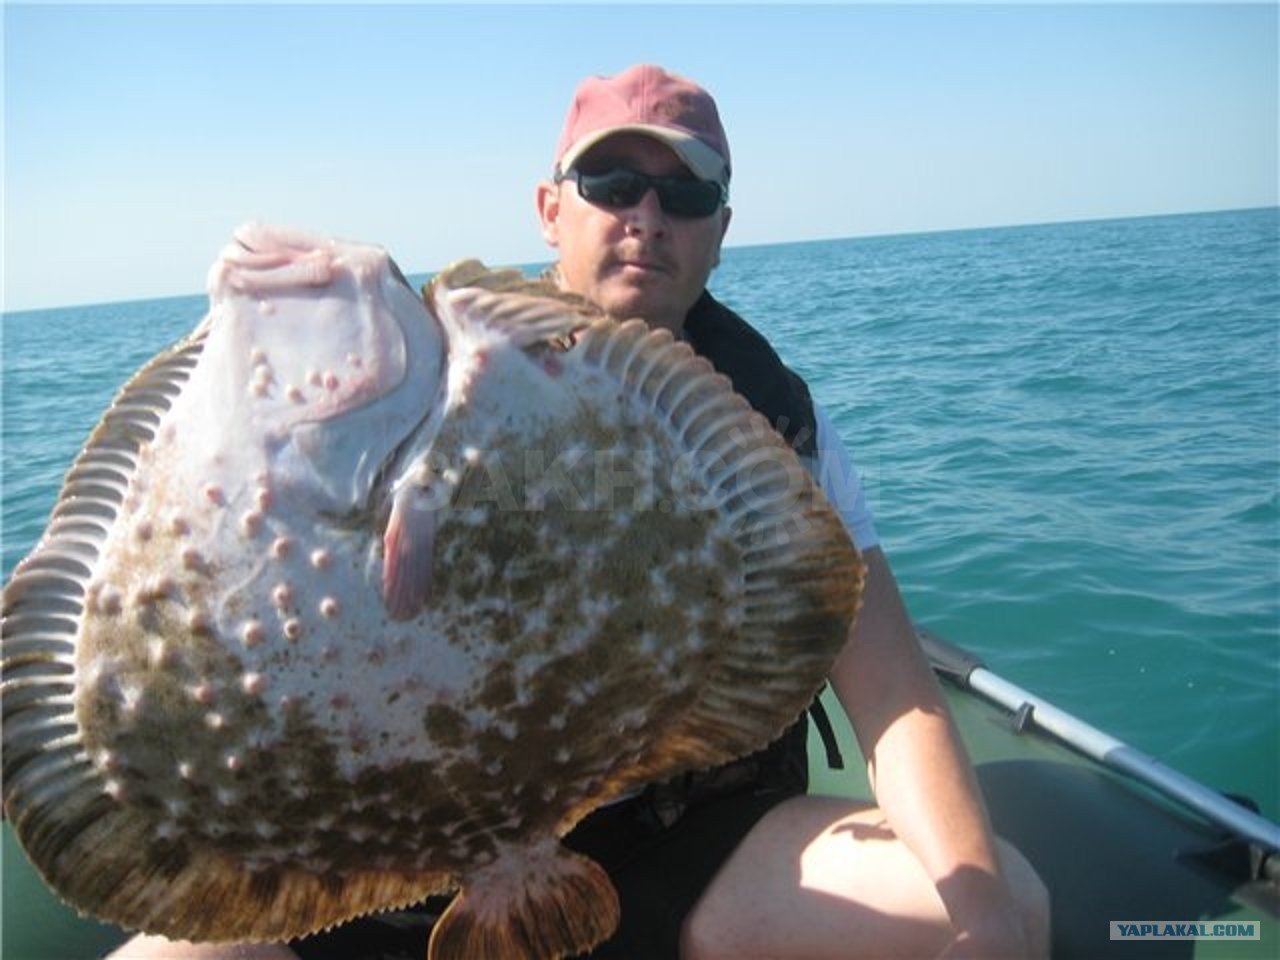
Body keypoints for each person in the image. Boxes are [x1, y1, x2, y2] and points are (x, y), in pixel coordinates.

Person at [110, 64, 1049, 960]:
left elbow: (895, 696)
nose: (647, 216)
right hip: (393, 841)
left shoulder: (773, 427)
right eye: (611, 184)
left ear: (721, 228)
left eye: (685, 195)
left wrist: (983, 920)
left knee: (1007, 900)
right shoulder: (418, 377)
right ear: (550, 209)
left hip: (692, 836)